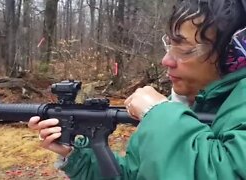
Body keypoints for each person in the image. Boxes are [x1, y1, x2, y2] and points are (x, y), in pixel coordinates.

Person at [28, 0, 246, 179]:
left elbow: (225, 172)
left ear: (232, 54)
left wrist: (160, 114)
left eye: (184, 49)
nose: (166, 60)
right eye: (169, 45)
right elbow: (137, 174)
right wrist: (77, 156)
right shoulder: (185, 104)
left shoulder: (167, 116)